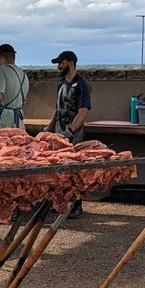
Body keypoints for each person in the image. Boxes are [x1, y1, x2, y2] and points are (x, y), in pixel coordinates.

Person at [45, 50, 92, 219]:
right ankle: (60, 203)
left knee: (74, 169)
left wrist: (70, 131)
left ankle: (76, 205)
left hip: (74, 132)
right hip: (59, 130)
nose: (59, 66)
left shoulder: (82, 84)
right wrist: (49, 127)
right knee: (58, 168)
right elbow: (57, 109)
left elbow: (83, 111)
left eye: (61, 63)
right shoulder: (61, 85)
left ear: (71, 63)